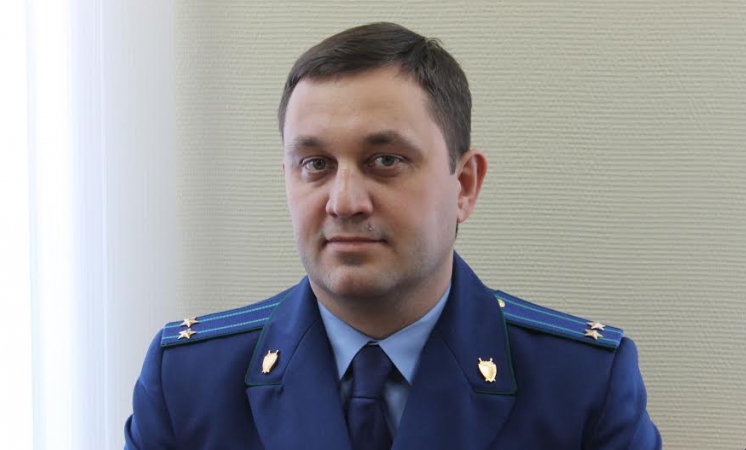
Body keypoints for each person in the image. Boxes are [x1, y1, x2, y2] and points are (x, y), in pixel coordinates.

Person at [124, 22, 661, 449]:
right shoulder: (188, 382)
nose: (344, 202)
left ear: (464, 185)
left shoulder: (581, 384)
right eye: (315, 164)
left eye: (385, 160)